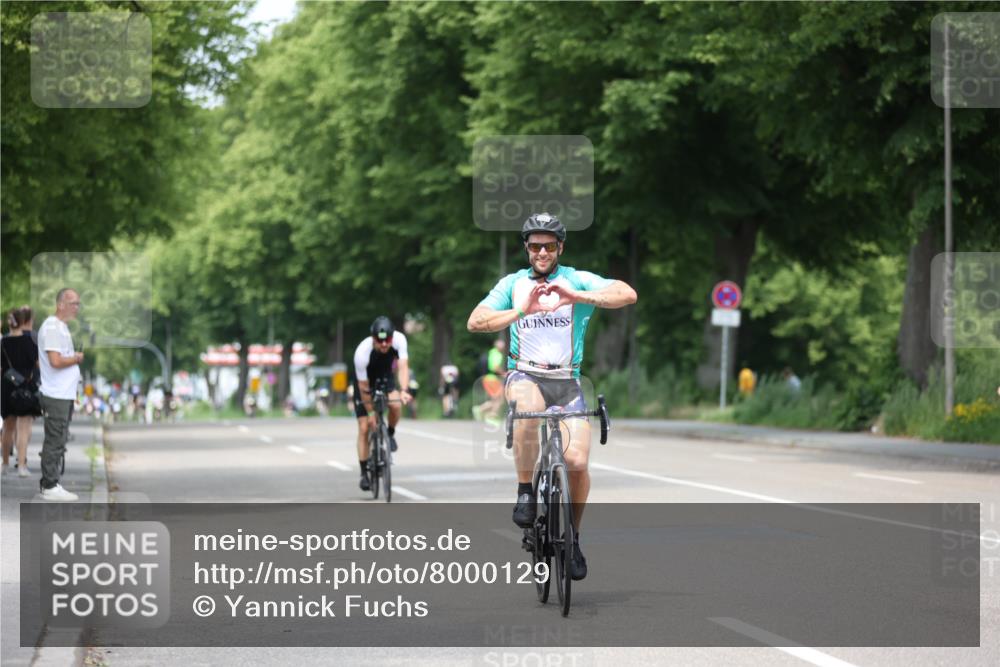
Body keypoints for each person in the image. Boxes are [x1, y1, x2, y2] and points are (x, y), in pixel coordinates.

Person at [467, 212, 637, 580]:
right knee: (527, 408)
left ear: (560, 247)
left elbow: (627, 293)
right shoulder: (512, 284)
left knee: (577, 462)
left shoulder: (575, 278)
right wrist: (519, 310)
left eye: (548, 245)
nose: (541, 252)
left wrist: (576, 296)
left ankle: (573, 537)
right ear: (526, 249)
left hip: (567, 380)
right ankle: (526, 490)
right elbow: (475, 321)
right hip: (524, 373)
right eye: (535, 246)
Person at [351, 316, 411, 492]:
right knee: (364, 427)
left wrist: (404, 390)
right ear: (373, 338)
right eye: (380, 341)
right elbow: (363, 387)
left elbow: (403, 367)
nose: (385, 344)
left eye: (388, 340)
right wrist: (370, 413)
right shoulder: (362, 353)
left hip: (385, 376)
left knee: (396, 404)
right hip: (365, 382)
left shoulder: (399, 340)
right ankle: (364, 473)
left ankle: (390, 433)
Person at [38, 288, 84, 501]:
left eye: (78, 303)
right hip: (56, 394)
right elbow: (55, 361)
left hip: (62, 393)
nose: (77, 308)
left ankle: (53, 481)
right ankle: (49, 484)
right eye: (74, 303)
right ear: (61, 304)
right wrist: (75, 359)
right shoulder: (53, 328)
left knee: (59, 438)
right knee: (55, 439)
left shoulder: (61, 328)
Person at [1, 306, 41, 477]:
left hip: (7, 387)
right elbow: (38, 364)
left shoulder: (3, 343)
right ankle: (22, 465)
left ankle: (4, 463)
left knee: (8, 428)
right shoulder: (30, 342)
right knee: (23, 428)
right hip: (25, 386)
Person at [473, 338, 507, 423]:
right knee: (499, 399)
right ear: (496, 344)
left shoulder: (492, 352)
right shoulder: (497, 354)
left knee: (496, 399)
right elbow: (494, 367)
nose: (503, 345)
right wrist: (504, 374)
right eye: (501, 343)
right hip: (492, 379)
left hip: (488, 378)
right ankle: (489, 415)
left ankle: (482, 411)